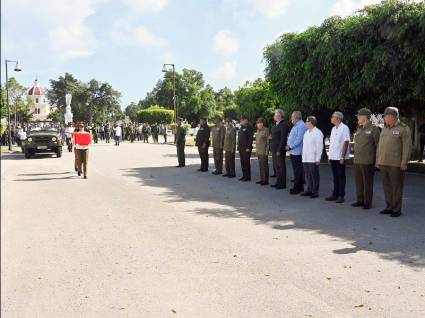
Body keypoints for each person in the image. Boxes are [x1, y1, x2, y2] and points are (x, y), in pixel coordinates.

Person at [376, 107, 411, 217]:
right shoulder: (384, 128)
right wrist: (377, 160)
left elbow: (407, 147)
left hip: (396, 164)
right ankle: (389, 206)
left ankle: (396, 209)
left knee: (396, 187)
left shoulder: (403, 128)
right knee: (386, 186)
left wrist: (404, 162)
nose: (384, 118)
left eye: (385, 116)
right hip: (383, 162)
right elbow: (379, 146)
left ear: (392, 117)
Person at [352, 108, 380, 209]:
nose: (358, 118)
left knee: (367, 182)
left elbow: (378, 146)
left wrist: (377, 161)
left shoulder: (374, 129)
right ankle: (360, 200)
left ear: (364, 117)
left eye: (359, 116)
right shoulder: (359, 128)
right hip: (357, 160)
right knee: (359, 182)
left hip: (368, 161)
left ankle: (367, 202)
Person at [326, 111, 351, 203]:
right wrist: (329, 156)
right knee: (335, 176)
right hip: (333, 156)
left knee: (341, 176)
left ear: (338, 118)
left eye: (333, 117)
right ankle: (334, 194)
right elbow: (332, 144)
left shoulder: (344, 128)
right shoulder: (333, 129)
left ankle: (341, 195)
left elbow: (346, 142)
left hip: (340, 157)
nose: (331, 118)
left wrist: (342, 157)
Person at [301, 116, 323, 198]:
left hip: (313, 158)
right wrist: (303, 157)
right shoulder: (306, 133)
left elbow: (319, 147)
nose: (306, 123)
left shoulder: (318, 132)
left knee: (314, 175)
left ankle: (315, 191)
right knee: (307, 175)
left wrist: (318, 158)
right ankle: (309, 189)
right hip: (306, 158)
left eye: (307, 121)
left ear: (311, 122)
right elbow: (304, 146)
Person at [287, 111, 307, 194]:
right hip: (294, 151)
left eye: (292, 117)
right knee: (296, 170)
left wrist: (290, 146)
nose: (291, 118)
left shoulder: (301, 125)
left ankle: (297, 188)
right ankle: (299, 187)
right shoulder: (296, 125)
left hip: (297, 152)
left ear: (296, 117)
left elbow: (299, 139)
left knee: (297, 170)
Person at [270, 109, 289, 189]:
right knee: (276, 167)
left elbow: (283, 139)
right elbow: (274, 136)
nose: (274, 116)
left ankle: (282, 184)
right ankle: (278, 182)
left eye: (275, 115)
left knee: (281, 166)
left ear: (279, 116)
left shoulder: (284, 124)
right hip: (274, 149)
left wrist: (279, 150)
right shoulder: (275, 124)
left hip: (279, 150)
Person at [238, 115, 254, 181]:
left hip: (246, 148)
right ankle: (244, 175)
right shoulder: (241, 127)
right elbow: (240, 137)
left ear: (246, 120)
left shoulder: (249, 127)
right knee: (242, 162)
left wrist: (248, 147)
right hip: (241, 148)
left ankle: (247, 177)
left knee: (246, 162)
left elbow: (250, 138)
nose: (240, 122)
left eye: (242, 120)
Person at [255, 118, 270, 186]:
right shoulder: (258, 130)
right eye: (257, 123)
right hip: (259, 151)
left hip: (264, 151)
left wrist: (266, 151)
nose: (258, 124)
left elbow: (268, 142)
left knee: (264, 166)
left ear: (262, 123)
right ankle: (262, 179)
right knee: (261, 166)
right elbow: (257, 142)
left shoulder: (266, 130)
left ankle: (265, 180)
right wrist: (256, 151)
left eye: (259, 123)